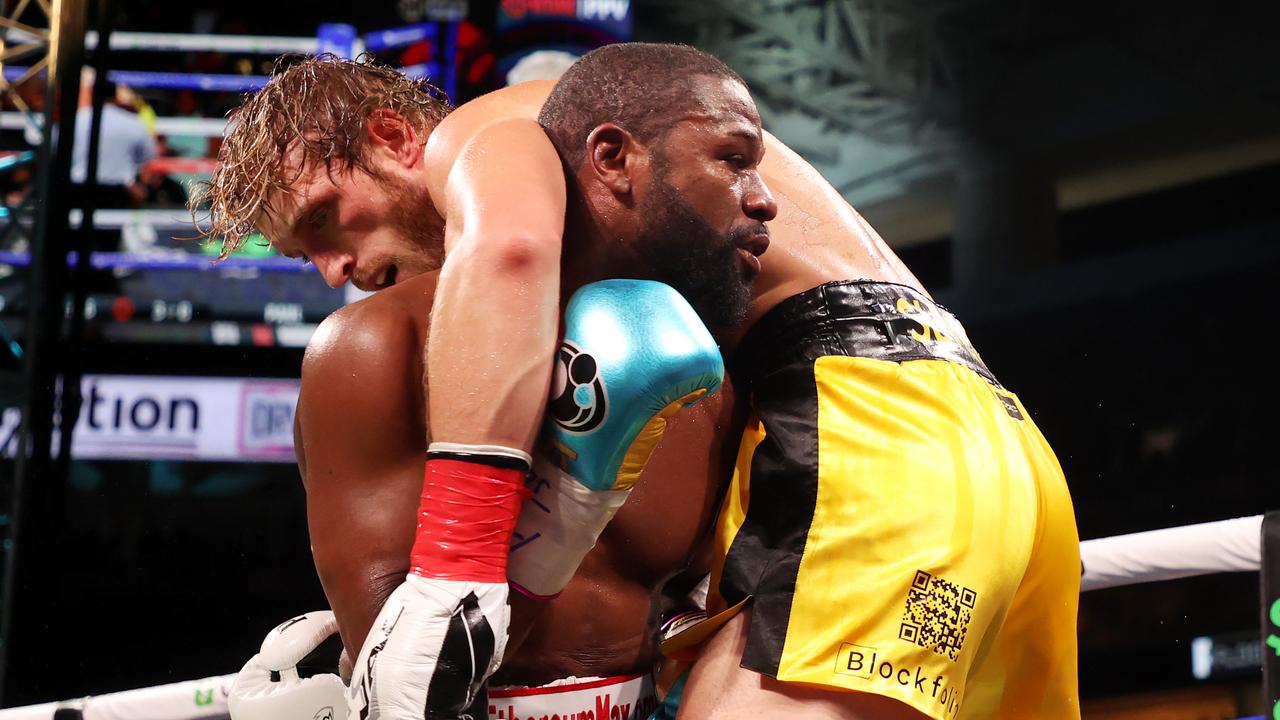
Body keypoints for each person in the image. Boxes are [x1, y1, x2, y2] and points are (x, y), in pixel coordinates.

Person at [194, 56, 746, 720]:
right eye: (304, 255)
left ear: (397, 140)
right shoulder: (372, 347)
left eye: (322, 218)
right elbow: (404, 662)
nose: (335, 270)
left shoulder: (701, 333)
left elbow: (704, 602)